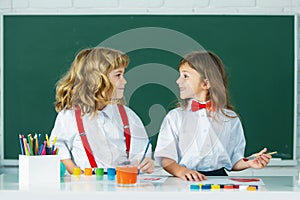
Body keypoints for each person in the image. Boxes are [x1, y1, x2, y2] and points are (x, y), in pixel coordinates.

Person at [154, 50, 272, 181]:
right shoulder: (175, 117)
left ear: (206, 83)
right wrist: (182, 171)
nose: (178, 81)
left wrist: (249, 162)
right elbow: (165, 157)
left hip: (220, 179)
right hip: (184, 179)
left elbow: (234, 160)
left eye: (185, 76)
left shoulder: (230, 118)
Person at [50, 47, 154, 175]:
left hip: (124, 185)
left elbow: (142, 153)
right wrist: (78, 174)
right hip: (86, 187)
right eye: (118, 75)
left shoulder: (128, 116)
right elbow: (59, 150)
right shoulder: (69, 116)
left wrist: (146, 162)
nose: (124, 81)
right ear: (98, 79)